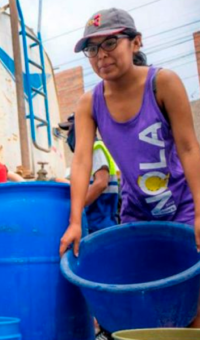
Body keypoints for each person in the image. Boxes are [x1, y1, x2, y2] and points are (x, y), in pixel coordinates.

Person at [58, 8, 200, 337]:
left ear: (135, 43)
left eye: (110, 43)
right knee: (145, 297)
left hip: (182, 206)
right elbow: (81, 161)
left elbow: (190, 148)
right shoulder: (89, 103)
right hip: (137, 213)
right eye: (92, 49)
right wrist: (75, 221)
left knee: (192, 302)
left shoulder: (162, 83)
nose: (100, 56)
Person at [58, 114, 120, 233]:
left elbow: (101, 183)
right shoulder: (87, 154)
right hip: (95, 222)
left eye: (70, 130)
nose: (67, 136)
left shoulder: (94, 148)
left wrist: (75, 210)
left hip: (100, 224)